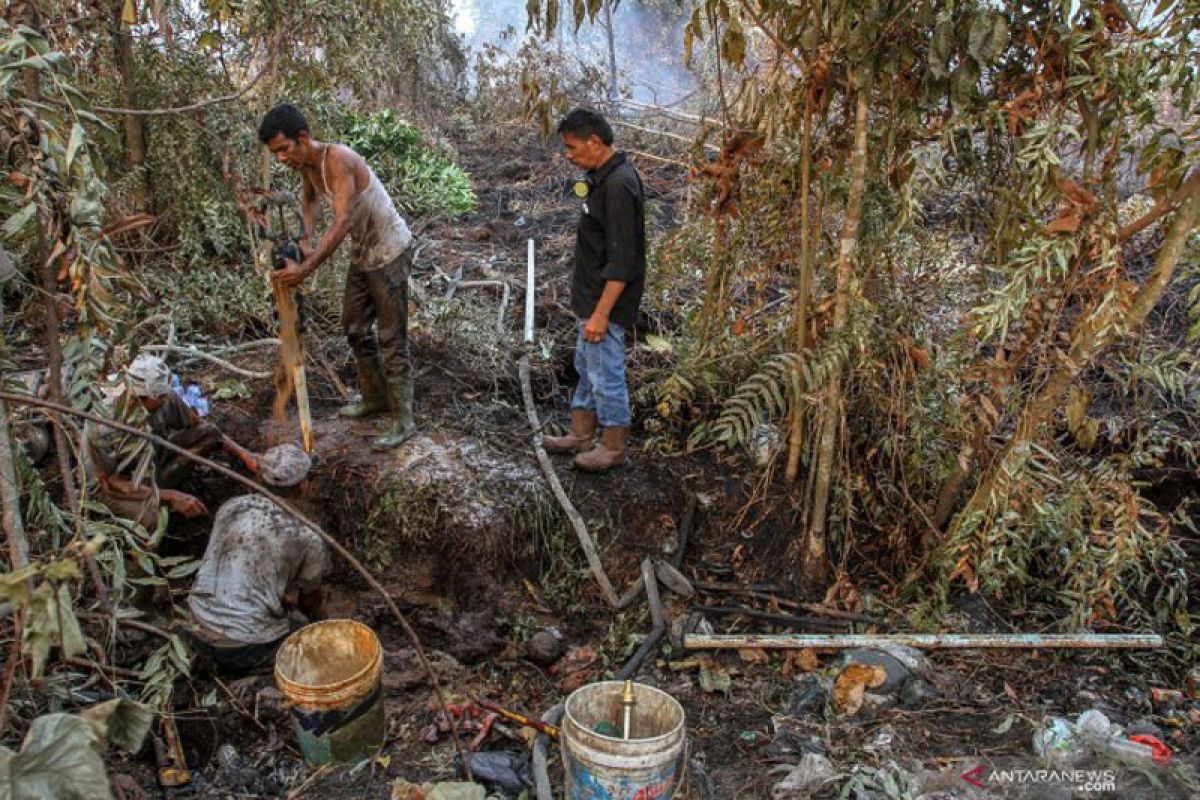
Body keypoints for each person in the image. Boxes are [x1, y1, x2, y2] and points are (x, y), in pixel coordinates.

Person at [258, 103, 417, 450]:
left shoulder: (337, 159)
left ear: (303, 138)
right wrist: (304, 242)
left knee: (391, 338)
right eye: (276, 153)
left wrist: (307, 266)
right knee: (355, 325)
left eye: (284, 149)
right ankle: (375, 396)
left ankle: (404, 419)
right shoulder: (307, 166)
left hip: (389, 249)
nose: (282, 158)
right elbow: (310, 201)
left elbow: (343, 219)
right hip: (364, 252)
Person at [542, 108, 646, 472]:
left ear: (595, 142)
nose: (568, 154)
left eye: (572, 147)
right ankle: (581, 434)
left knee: (606, 372)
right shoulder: (600, 177)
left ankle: (613, 446)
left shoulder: (618, 185)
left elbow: (623, 260)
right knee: (587, 366)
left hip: (607, 303)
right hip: (591, 297)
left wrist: (602, 314)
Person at [186, 444, 328, 674]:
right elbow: (309, 602)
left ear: (260, 479)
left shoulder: (231, 507)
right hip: (244, 645)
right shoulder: (306, 536)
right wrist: (322, 622)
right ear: (303, 486)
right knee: (310, 639)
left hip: (195, 624)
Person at [83, 354, 256, 529]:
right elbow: (109, 484)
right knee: (154, 518)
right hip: (118, 489)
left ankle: (168, 490)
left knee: (207, 434)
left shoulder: (163, 396)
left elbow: (203, 427)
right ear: (141, 397)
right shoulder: (103, 426)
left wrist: (247, 456)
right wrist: (170, 496)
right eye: (161, 397)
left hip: (153, 464)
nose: (167, 399)